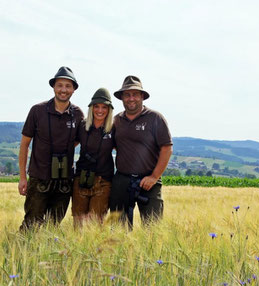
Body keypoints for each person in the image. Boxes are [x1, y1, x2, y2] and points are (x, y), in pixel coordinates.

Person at [18, 66, 84, 230]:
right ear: (53, 87)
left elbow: (79, 140)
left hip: (64, 180)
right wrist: (22, 177)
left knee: (53, 226)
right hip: (39, 177)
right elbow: (25, 144)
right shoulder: (37, 111)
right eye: (60, 85)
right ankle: (22, 254)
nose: (63, 90)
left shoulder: (78, 114)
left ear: (74, 90)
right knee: (31, 224)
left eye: (68, 86)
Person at [109, 75, 173, 228]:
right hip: (122, 181)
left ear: (142, 96)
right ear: (122, 98)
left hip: (149, 181)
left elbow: (167, 148)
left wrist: (154, 176)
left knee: (153, 229)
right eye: (127, 94)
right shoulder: (116, 120)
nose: (131, 98)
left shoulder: (155, 118)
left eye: (135, 94)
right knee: (118, 230)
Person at [71, 88, 115, 228]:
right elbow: (69, 144)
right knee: (78, 223)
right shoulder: (82, 126)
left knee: (95, 224)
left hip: (103, 182)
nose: (100, 110)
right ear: (91, 108)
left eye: (104, 107)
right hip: (81, 179)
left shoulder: (114, 129)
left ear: (109, 110)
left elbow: (124, 150)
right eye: (96, 106)